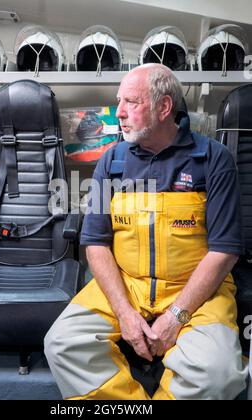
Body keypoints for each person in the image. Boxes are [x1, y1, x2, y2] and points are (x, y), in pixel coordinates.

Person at [44, 63, 248, 400]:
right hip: (127, 284)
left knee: (220, 375)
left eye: (131, 102)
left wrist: (176, 316)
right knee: (62, 343)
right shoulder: (111, 162)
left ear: (164, 107)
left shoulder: (213, 159)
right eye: (118, 101)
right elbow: (95, 243)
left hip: (196, 290)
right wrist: (124, 312)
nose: (119, 113)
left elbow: (225, 249)